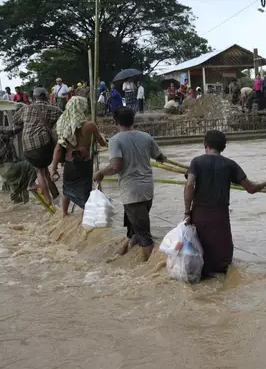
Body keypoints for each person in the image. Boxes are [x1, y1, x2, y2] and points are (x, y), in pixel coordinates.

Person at [184, 130, 266, 277]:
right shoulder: (230, 165)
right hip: (220, 217)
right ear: (223, 147)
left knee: (198, 254)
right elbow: (251, 188)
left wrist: (187, 212)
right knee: (222, 261)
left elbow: (189, 185)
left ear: (205, 145)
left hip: (199, 215)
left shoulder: (196, 162)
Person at [93, 108, 166, 261]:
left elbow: (115, 166)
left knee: (144, 234)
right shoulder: (146, 137)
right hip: (147, 191)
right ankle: (127, 256)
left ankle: (149, 270)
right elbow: (160, 156)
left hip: (132, 193)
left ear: (116, 122)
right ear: (133, 120)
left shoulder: (115, 140)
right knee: (135, 230)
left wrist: (100, 173)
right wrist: (160, 158)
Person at [50, 89, 107, 217]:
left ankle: (64, 214)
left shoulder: (63, 125)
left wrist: (54, 168)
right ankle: (83, 220)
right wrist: (102, 137)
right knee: (84, 192)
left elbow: (59, 148)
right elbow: (102, 143)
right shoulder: (90, 125)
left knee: (67, 190)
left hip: (70, 162)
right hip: (84, 163)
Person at [13, 87, 63, 206]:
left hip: (27, 148)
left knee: (40, 169)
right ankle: (48, 199)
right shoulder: (53, 109)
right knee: (42, 170)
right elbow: (63, 118)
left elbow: (15, 120)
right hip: (44, 146)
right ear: (46, 97)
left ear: (34, 97)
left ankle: (53, 196)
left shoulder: (26, 109)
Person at [0, 123, 37, 204]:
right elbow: (14, 130)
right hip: (9, 168)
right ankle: (31, 184)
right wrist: (28, 122)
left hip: (2, 170)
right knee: (33, 163)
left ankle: (20, 206)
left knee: (17, 199)